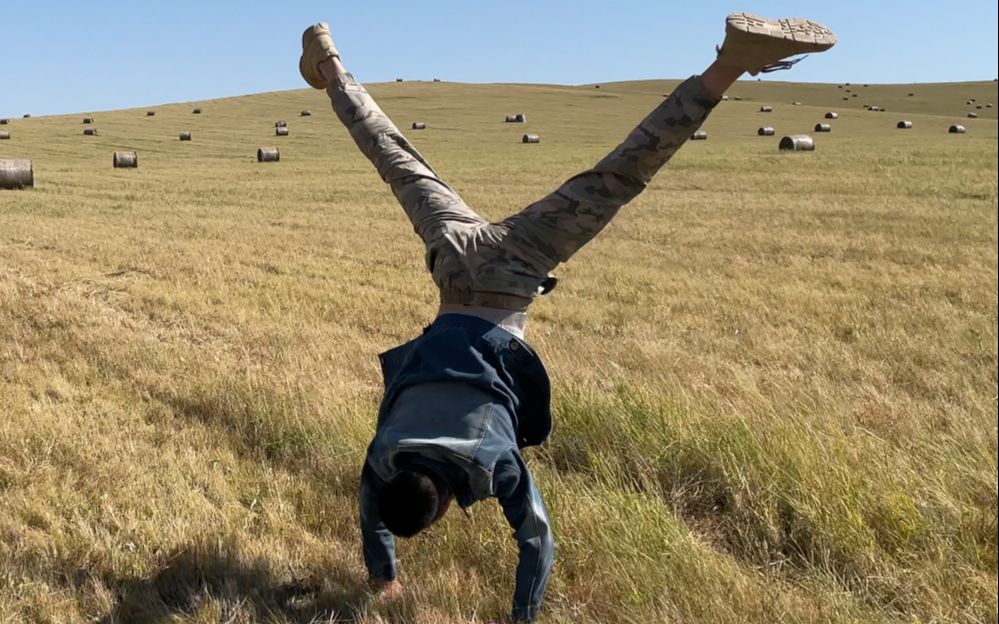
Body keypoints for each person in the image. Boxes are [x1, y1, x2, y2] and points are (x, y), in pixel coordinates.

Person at [298, 12, 835, 623]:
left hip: (513, 276)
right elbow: (370, 503)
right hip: (455, 259)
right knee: (395, 156)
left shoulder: (490, 458)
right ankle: (331, 65)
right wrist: (381, 570)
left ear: (446, 509)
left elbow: (536, 538)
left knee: (620, 176)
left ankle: (732, 63)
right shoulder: (385, 451)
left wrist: (519, 616)